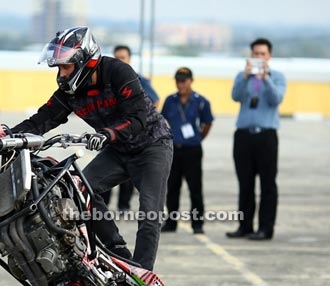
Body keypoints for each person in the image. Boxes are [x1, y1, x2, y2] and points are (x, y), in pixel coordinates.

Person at [10, 27, 173, 271]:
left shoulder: (117, 71)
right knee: (80, 189)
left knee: (150, 215)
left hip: (152, 146)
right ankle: (118, 251)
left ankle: (142, 274)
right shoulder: (69, 91)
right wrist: (8, 137)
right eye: (59, 67)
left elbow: (138, 117)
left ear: (85, 61)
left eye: (66, 66)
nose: (62, 74)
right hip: (118, 150)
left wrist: (108, 133)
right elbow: (43, 119)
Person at [226, 37, 286, 241]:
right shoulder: (242, 76)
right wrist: (245, 76)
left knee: (268, 184)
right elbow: (236, 96)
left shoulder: (277, 77)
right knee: (245, 183)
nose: (259, 57)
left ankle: (265, 228)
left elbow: (275, 99)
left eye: (263, 54)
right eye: (256, 54)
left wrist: (265, 78)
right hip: (244, 136)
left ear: (269, 56)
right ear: (251, 55)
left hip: (266, 136)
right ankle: (245, 225)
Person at [100, 44, 160, 212]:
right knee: (105, 170)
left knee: (128, 173)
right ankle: (102, 207)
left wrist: (141, 117)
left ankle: (124, 206)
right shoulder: (107, 80)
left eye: (123, 58)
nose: (120, 61)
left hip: (131, 131)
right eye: (117, 58)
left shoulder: (137, 79)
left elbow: (155, 100)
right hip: (111, 131)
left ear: (129, 59)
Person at [160, 67, 213, 234]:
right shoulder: (170, 100)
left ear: (191, 81)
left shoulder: (201, 101)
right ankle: (171, 222)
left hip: (192, 150)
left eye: (183, 80)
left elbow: (207, 123)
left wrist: (197, 138)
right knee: (172, 187)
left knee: (195, 187)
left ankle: (197, 223)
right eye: (177, 80)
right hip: (174, 150)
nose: (180, 84)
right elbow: (163, 121)